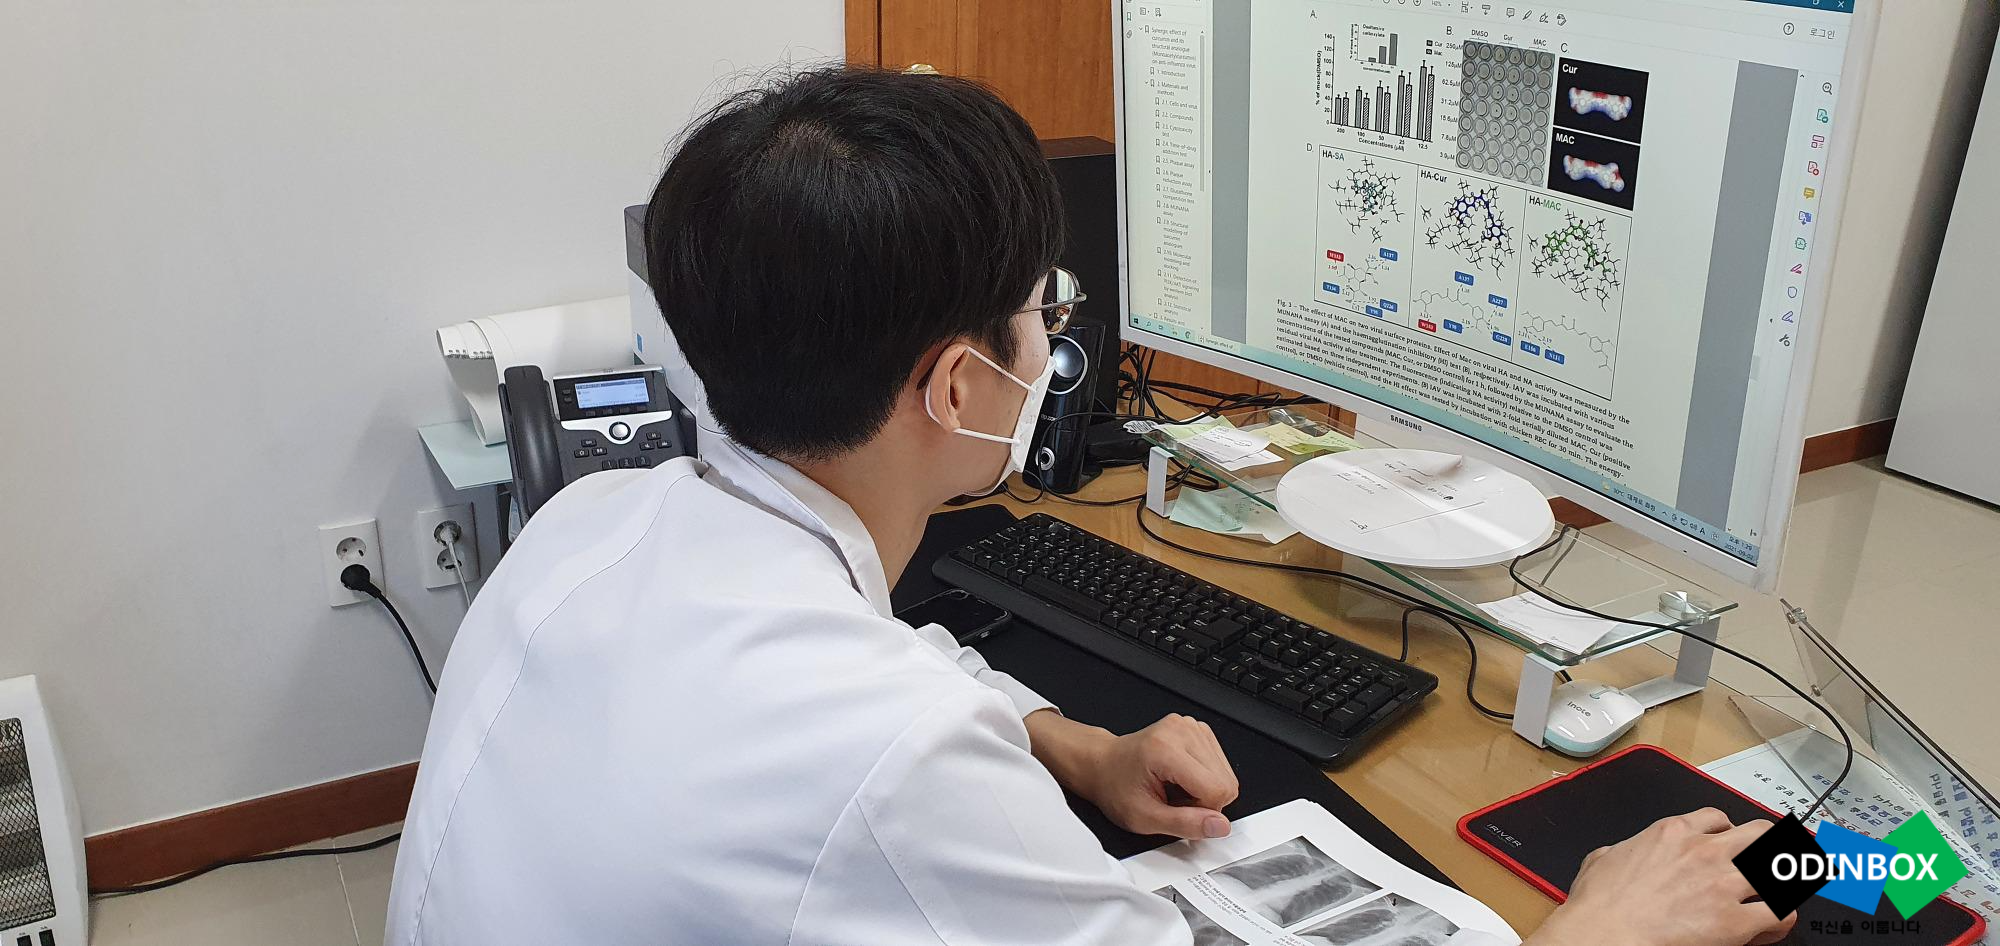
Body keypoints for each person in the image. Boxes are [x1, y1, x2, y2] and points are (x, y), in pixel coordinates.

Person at [382, 66, 1796, 946]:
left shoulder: (597, 525)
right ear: (956, 387)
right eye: (1041, 311)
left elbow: (887, 671)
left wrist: (1070, 743)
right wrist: (1601, 933)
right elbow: (885, 739)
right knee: (1742, 904)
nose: (1053, 335)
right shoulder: (897, 763)